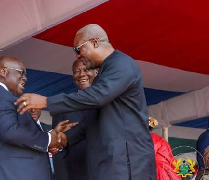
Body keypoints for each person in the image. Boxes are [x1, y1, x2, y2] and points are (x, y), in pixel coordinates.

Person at [15, 24, 157, 180]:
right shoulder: (105, 72)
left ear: (95, 42)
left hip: (129, 164)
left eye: (78, 49)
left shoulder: (121, 64)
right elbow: (93, 119)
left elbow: (97, 96)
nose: (77, 56)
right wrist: (65, 138)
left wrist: (47, 101)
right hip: (113, 164)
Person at [0, 56, 73, 180]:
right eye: (21, 72)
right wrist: (48, 139)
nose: (25, 78)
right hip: (11, 174)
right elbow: (10, 131)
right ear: (3, 72)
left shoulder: (4, 96)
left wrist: (50, 134)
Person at [52, 59, 98, 180]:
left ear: (96, 72)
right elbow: (59, 149)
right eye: (77, 71)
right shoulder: (63, 105)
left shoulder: (109, 101)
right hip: (78, 174)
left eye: (86, 69)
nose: (81, 74)